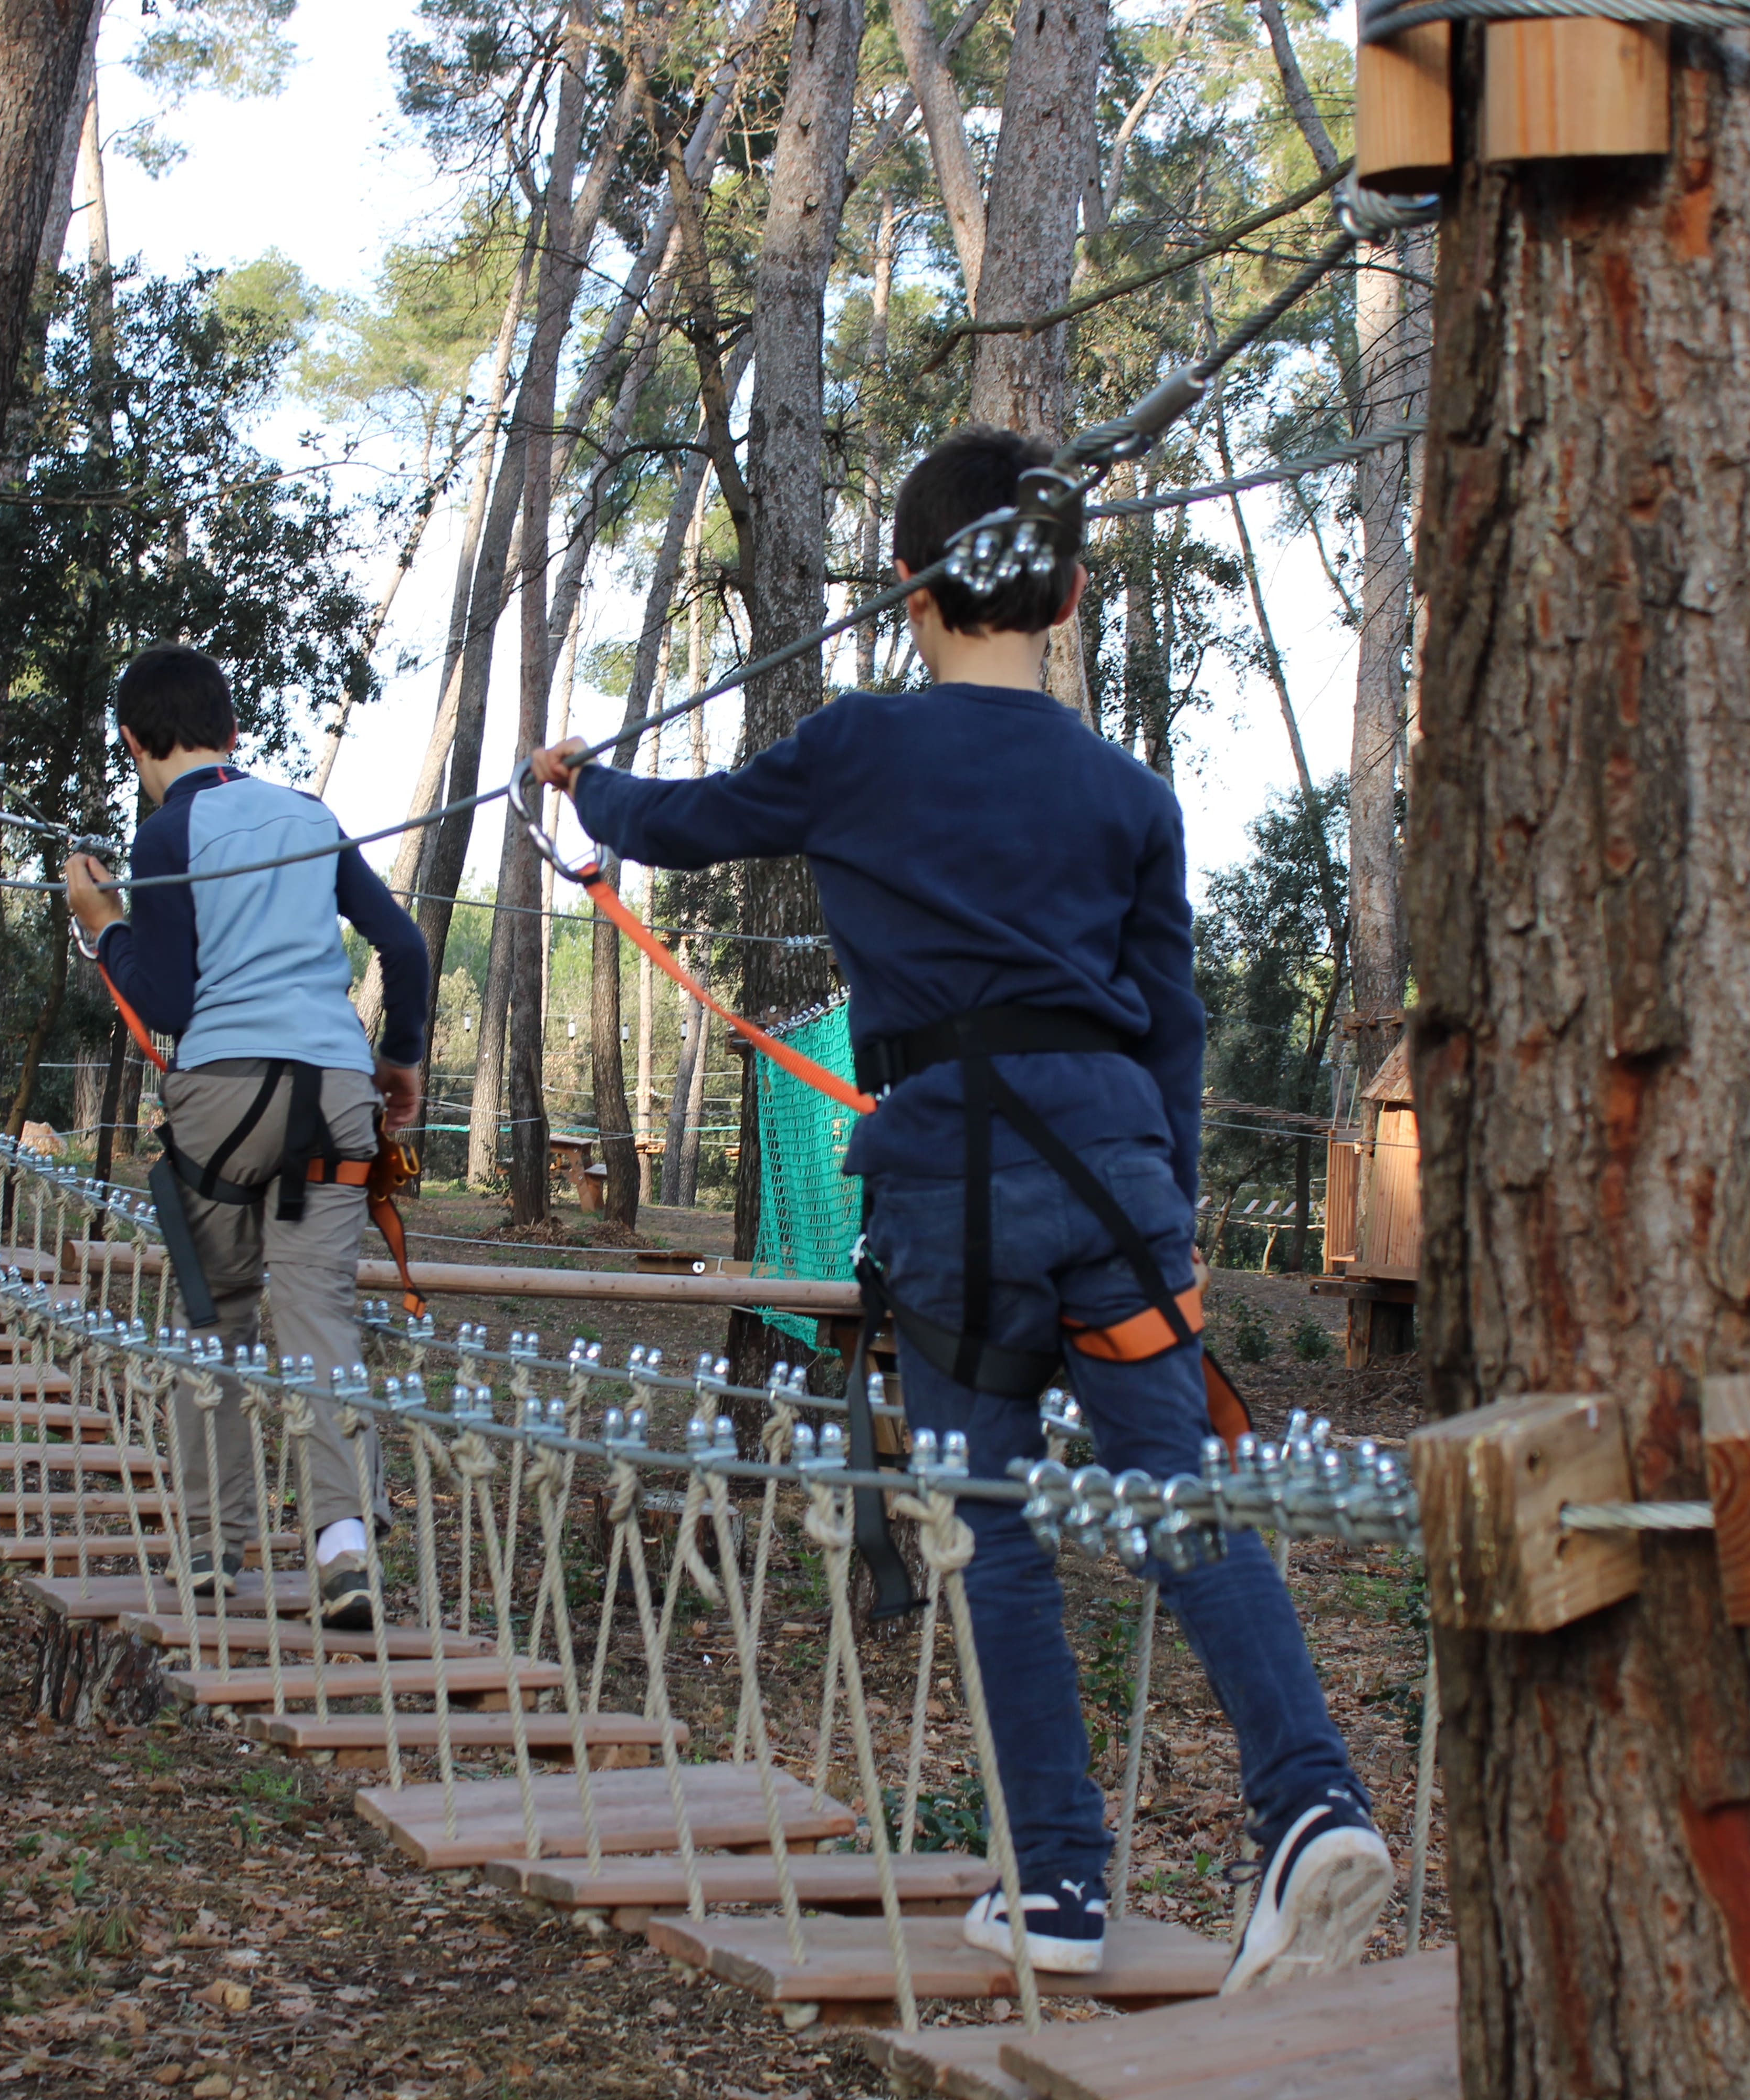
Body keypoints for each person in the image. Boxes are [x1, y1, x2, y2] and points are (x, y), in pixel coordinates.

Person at [529, 426, 1387, 1987]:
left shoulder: (861, 748)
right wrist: (1171, 1218)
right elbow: (1174, 1027)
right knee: (1181, 1495)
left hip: (951, 1187)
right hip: (1117, 1182)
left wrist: (588, 782)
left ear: (908, 592)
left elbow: (685, 823)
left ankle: (1054, 1880)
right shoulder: (1129, 792)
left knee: (988, 1526)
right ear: (1069, 593)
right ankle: (1313, 1801)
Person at [64, 643, 431, 1631]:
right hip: (334, 1093)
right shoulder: (311, 816)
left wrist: (103, 926)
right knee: (319, 1316)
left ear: (134, 742)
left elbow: (167, 1000)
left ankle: (210, 1550)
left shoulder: (166, 832)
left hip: (222, 1102)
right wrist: (400, 1055)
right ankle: (344, 1548)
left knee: (213, 1312)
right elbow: (402, 945)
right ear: (233, 732)